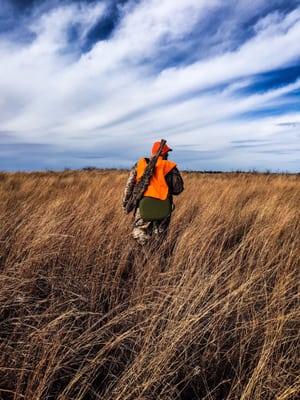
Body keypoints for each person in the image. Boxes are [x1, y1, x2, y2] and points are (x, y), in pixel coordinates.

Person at [122, 141, 184, 245]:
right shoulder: (170, 167)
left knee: (140, 237)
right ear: (163, 153)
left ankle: (141, 257)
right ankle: (157, 257)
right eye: (167, 153)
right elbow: (178, 189)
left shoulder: (140, 165)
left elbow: (129, 187)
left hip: (143, 208)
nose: (168, 155)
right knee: (160, 239)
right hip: (163, 209)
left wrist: (125, 205)